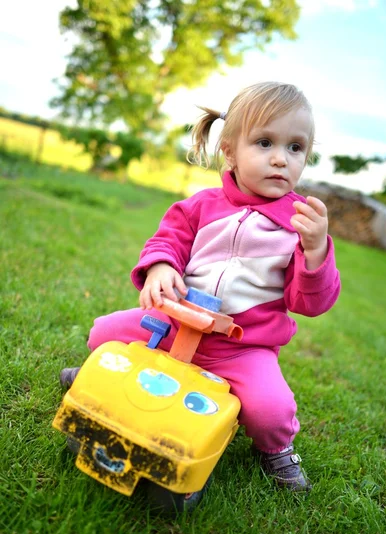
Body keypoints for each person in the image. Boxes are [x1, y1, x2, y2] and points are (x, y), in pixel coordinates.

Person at [61, 82, 341, 492]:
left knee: (270, 409)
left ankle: (276, 450)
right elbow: (168, 240)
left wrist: (316, 251)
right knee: (103, 332)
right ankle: (97, 376)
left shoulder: (297, 227)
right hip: (172, 324)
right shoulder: (202, 205)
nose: (281, 159)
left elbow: (309, 301)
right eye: (265, 143)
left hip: (241, 346)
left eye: (295, 148)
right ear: (230, 151)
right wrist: (159, 267)